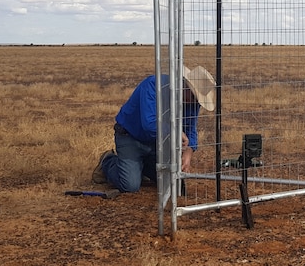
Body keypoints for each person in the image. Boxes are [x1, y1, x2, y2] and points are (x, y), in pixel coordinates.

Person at [92, 65, 215, 193]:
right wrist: (176, 133)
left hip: (158, 144)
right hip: (131, 137)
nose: (195, 103)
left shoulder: (192, 102)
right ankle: (107, 162)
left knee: (175, 185)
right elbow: (149, 125)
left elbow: (190, 128)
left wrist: (189, 151)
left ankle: (140, 166)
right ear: (185, 86)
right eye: (194, 97)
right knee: (130, 186)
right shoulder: (153, 85)